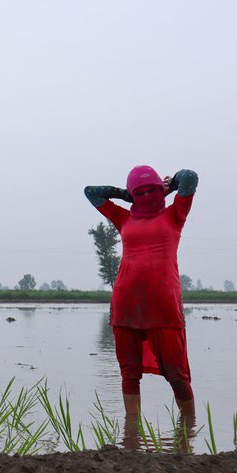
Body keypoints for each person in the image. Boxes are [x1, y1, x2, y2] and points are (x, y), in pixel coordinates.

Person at [84, 166, 199, 419]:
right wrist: (126, 195)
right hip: (126, 304)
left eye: (151, 190)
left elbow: (189, 177)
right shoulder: (124, 218)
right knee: (129, 372)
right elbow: (90, 192)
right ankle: (131, 434)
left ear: (160, 190)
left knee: (176, 373)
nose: (146, 195)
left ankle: (189, 429)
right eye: (140, 192)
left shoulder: (174, 215)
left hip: (163, 305)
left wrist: (168, 187)